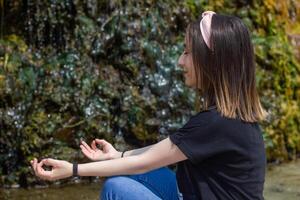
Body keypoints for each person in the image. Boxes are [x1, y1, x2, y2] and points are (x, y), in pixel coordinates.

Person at [31, 11, 267, 200]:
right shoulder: (229, 116)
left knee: (117, 189)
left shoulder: (216, 122)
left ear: (212, 62)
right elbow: (157, 154)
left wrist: (72, 170)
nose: (180, 61)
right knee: (144, 173)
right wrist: (116, 155)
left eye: (187, 52)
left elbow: (143, 162)